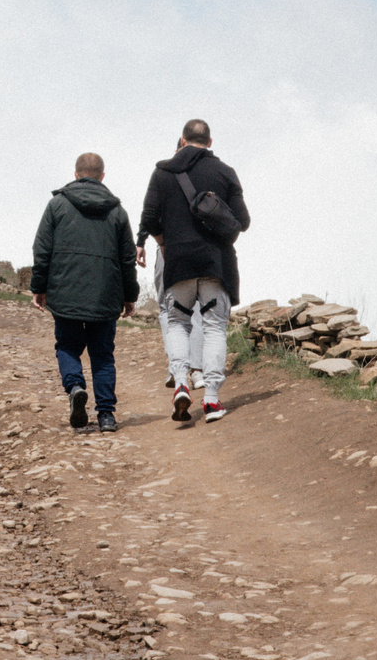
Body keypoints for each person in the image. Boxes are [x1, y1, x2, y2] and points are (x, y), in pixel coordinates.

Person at [136, 119, 249, 425]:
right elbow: (243, 221)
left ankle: (181, 382)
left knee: (177, 323)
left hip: (179, 263)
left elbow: (149, 218)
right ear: (210, 143)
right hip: (216, 263)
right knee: (214, 328)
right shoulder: (225, 172)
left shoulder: (162, 172)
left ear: (183, 141)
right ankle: (211, 400)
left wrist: (164, 245)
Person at [30, 152, 139, 434]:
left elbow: (41, 251)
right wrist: (130, 296)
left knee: (67, 347)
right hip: (105, 296)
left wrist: (39, 289)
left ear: (76, 174)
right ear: (102, 176)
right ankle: (106, 417)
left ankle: (76, 386)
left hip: (65, 294)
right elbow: (128, 259)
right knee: (103, 356)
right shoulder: (117, 212)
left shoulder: (57, 206)